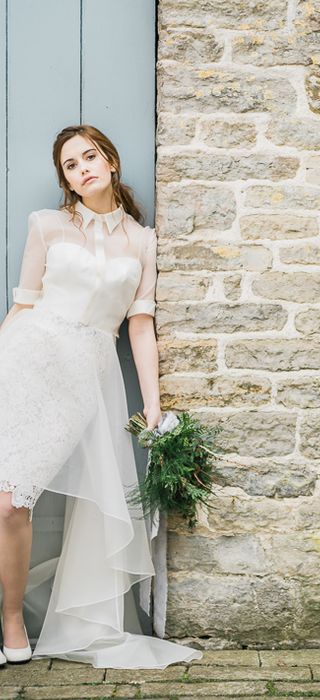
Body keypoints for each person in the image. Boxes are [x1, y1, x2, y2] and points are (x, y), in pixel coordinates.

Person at [0, 125, 203, 669]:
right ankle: (12, 624)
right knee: (6, 502)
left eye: (89, 156)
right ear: (64, 179)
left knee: (15, 502)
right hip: (25, 361)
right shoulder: (45, 226)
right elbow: (23, 306)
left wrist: (153, 404)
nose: (82, 168)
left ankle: (18, 619)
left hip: (84, 379)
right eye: (70, 164)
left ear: (111, 161)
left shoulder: (142, 241)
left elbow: (140, 327)